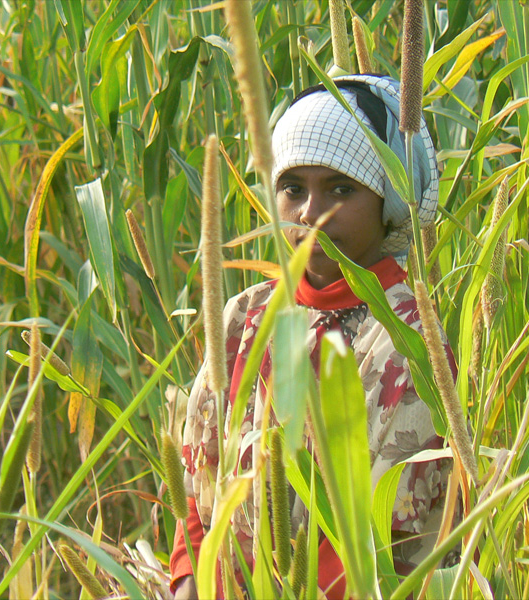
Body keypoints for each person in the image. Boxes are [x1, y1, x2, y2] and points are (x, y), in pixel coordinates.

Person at [170, 74, 454, 600]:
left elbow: (378, 545)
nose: (309, 213)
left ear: (386, 201)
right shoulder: (242, 318)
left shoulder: (410, 342)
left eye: (340, 189)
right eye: (293, 188)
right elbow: (199, 487)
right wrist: (191, 579)